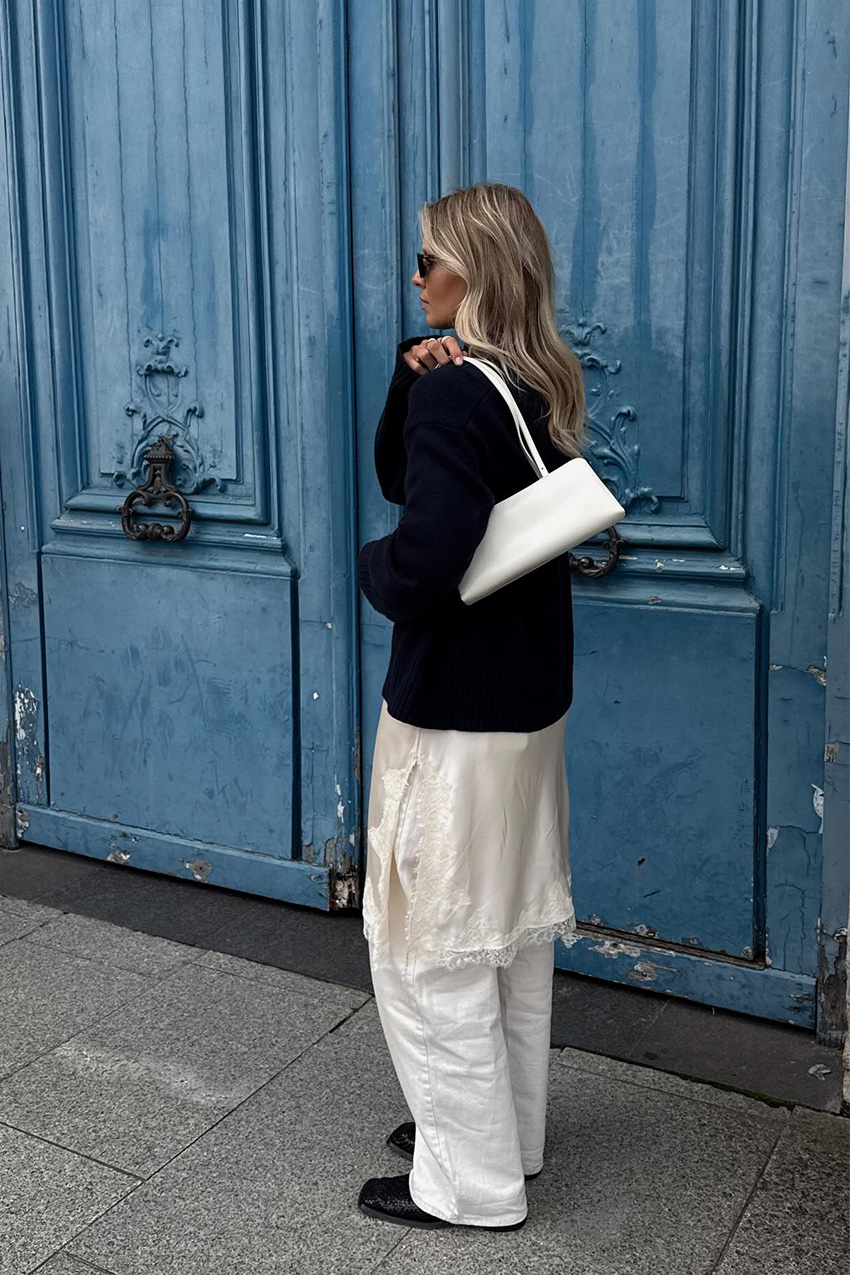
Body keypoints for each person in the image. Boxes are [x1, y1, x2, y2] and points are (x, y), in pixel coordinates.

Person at [356, 182, 590, 1232]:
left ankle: (469, 1186)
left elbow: (423, 552)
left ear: (473, 272)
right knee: (502, 935)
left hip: (452, 714)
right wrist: (413, 384)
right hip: (525, 707)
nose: (414, 280)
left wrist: (373, 570)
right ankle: (508, 1136)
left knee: (428, 941)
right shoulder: (531, 379)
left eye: (426, 264)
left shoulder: (468, 392)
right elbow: (418, 479)